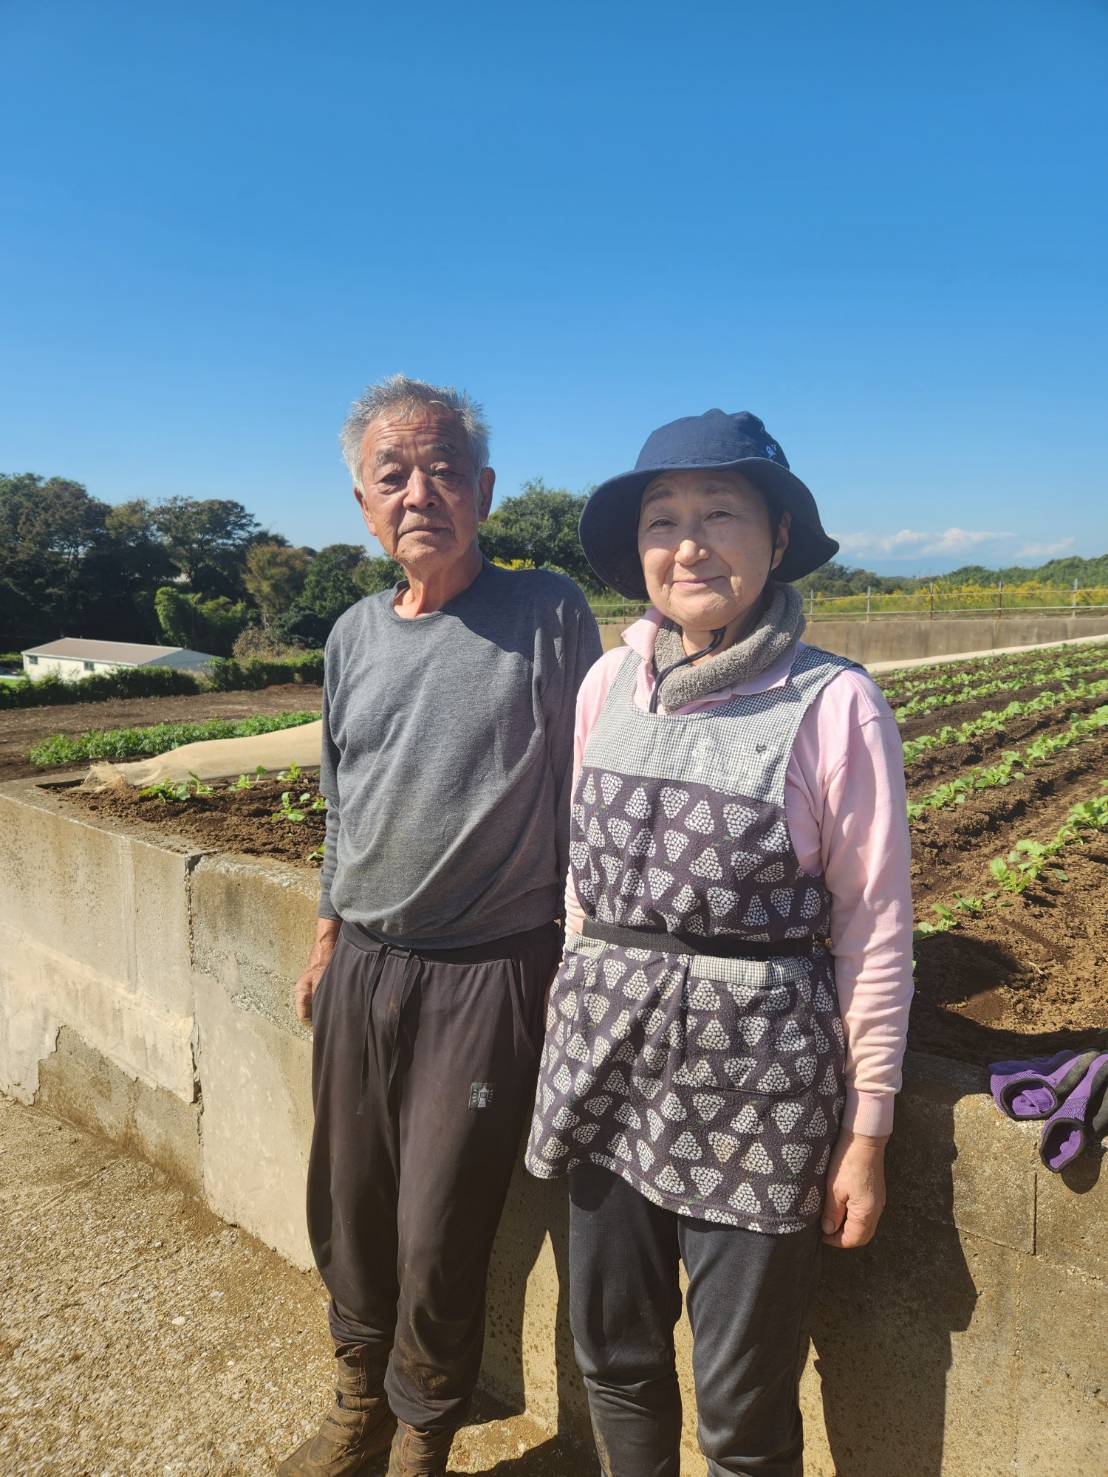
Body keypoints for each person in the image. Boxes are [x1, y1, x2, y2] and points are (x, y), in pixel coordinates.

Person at [525, 409, 913, 1476]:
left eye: (720, 514)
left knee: (742, 1407)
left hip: (757, 1088)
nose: (688, 544)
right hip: (604, 1065)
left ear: (777, 537)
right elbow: (583, 882)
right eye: (663, 519)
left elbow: (874, 931)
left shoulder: (834, 704)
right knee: (614, 1354)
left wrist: (868, 1130)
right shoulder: (607, 684)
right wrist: (572, 1009)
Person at [280, 375, 602, 1477]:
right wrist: (327, 936)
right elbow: (344, 806)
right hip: (364, 964)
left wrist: (579, 958)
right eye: (394, 475)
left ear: (484, 490)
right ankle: (356, 1401)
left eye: (444, 470)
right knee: (347, 1203)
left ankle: (422, 1427)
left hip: (489, 971)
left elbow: (587, 793)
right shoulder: (351, 637)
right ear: (364, 505)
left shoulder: (546, 612)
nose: (420, 492)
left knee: (441, 1221)